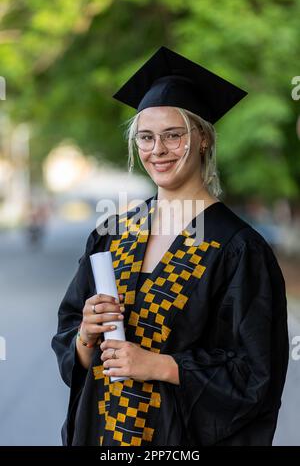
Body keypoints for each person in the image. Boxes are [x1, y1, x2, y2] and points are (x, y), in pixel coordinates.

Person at [52, 46, 289, 446]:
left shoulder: (237, 248)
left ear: (203, 141)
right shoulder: (113, 233)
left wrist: (159, 365)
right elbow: (71, 344)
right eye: (146, 137)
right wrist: (85, 336)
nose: (157, 150)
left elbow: (257, 375)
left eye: (173, 135)